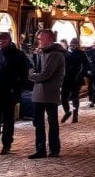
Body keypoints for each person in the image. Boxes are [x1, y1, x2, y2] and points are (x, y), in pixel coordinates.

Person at [27, 29, 66, 159]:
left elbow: (46, 74)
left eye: (40, 38)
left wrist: (31, 76)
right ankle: (40, 149)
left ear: (48, 39)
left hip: (49, 93)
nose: (38, 41)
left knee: (52, 122)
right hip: (39, 93)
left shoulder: (55, 54)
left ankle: (54, 149)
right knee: (38, 123)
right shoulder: (44, 53)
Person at [61, 40, 89, 123]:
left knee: (74, 97)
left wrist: (80, 75)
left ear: (77, 45)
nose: (72, 45)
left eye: (74, 44)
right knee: (64, 97)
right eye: (71, 43)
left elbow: (86, 66)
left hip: (76, 79)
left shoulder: (81, 53)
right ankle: (67, 112)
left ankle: (75, 115)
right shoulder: (66, 53)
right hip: (66, 79)